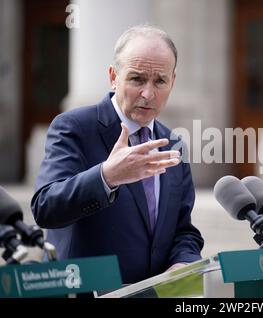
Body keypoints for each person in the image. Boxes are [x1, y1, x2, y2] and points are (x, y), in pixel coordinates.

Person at [31, 25, 204, 284]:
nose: (148, 93)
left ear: (173, 81)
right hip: (82, 288)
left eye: (160, 81)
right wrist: (107, 176)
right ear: (114, 76)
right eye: (137, 79)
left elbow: (183, 230)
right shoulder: (74, 127)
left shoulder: (174, 143)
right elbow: (45, 207)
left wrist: (182, 263)